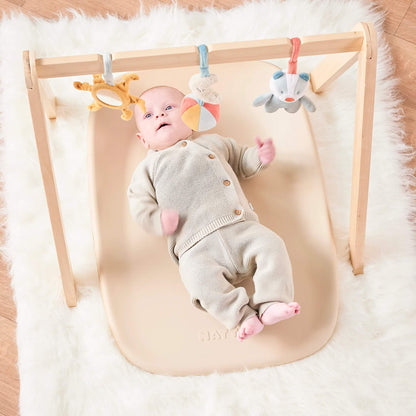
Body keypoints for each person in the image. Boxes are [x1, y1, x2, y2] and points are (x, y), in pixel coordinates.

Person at [127, 85, 300, 341]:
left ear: (190, 116)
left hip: (240, 227)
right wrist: (157, 220)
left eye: (168, 108)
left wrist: (259, 157)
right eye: (149, 115)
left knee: (272, 245)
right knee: (198, 281)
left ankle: (272, 302)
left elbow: (241, 159)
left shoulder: (213, 143)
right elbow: (139, 204)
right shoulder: (147, 168)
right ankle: (242, 316)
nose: (160, 116)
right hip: (195, 247)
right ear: (143, 140)